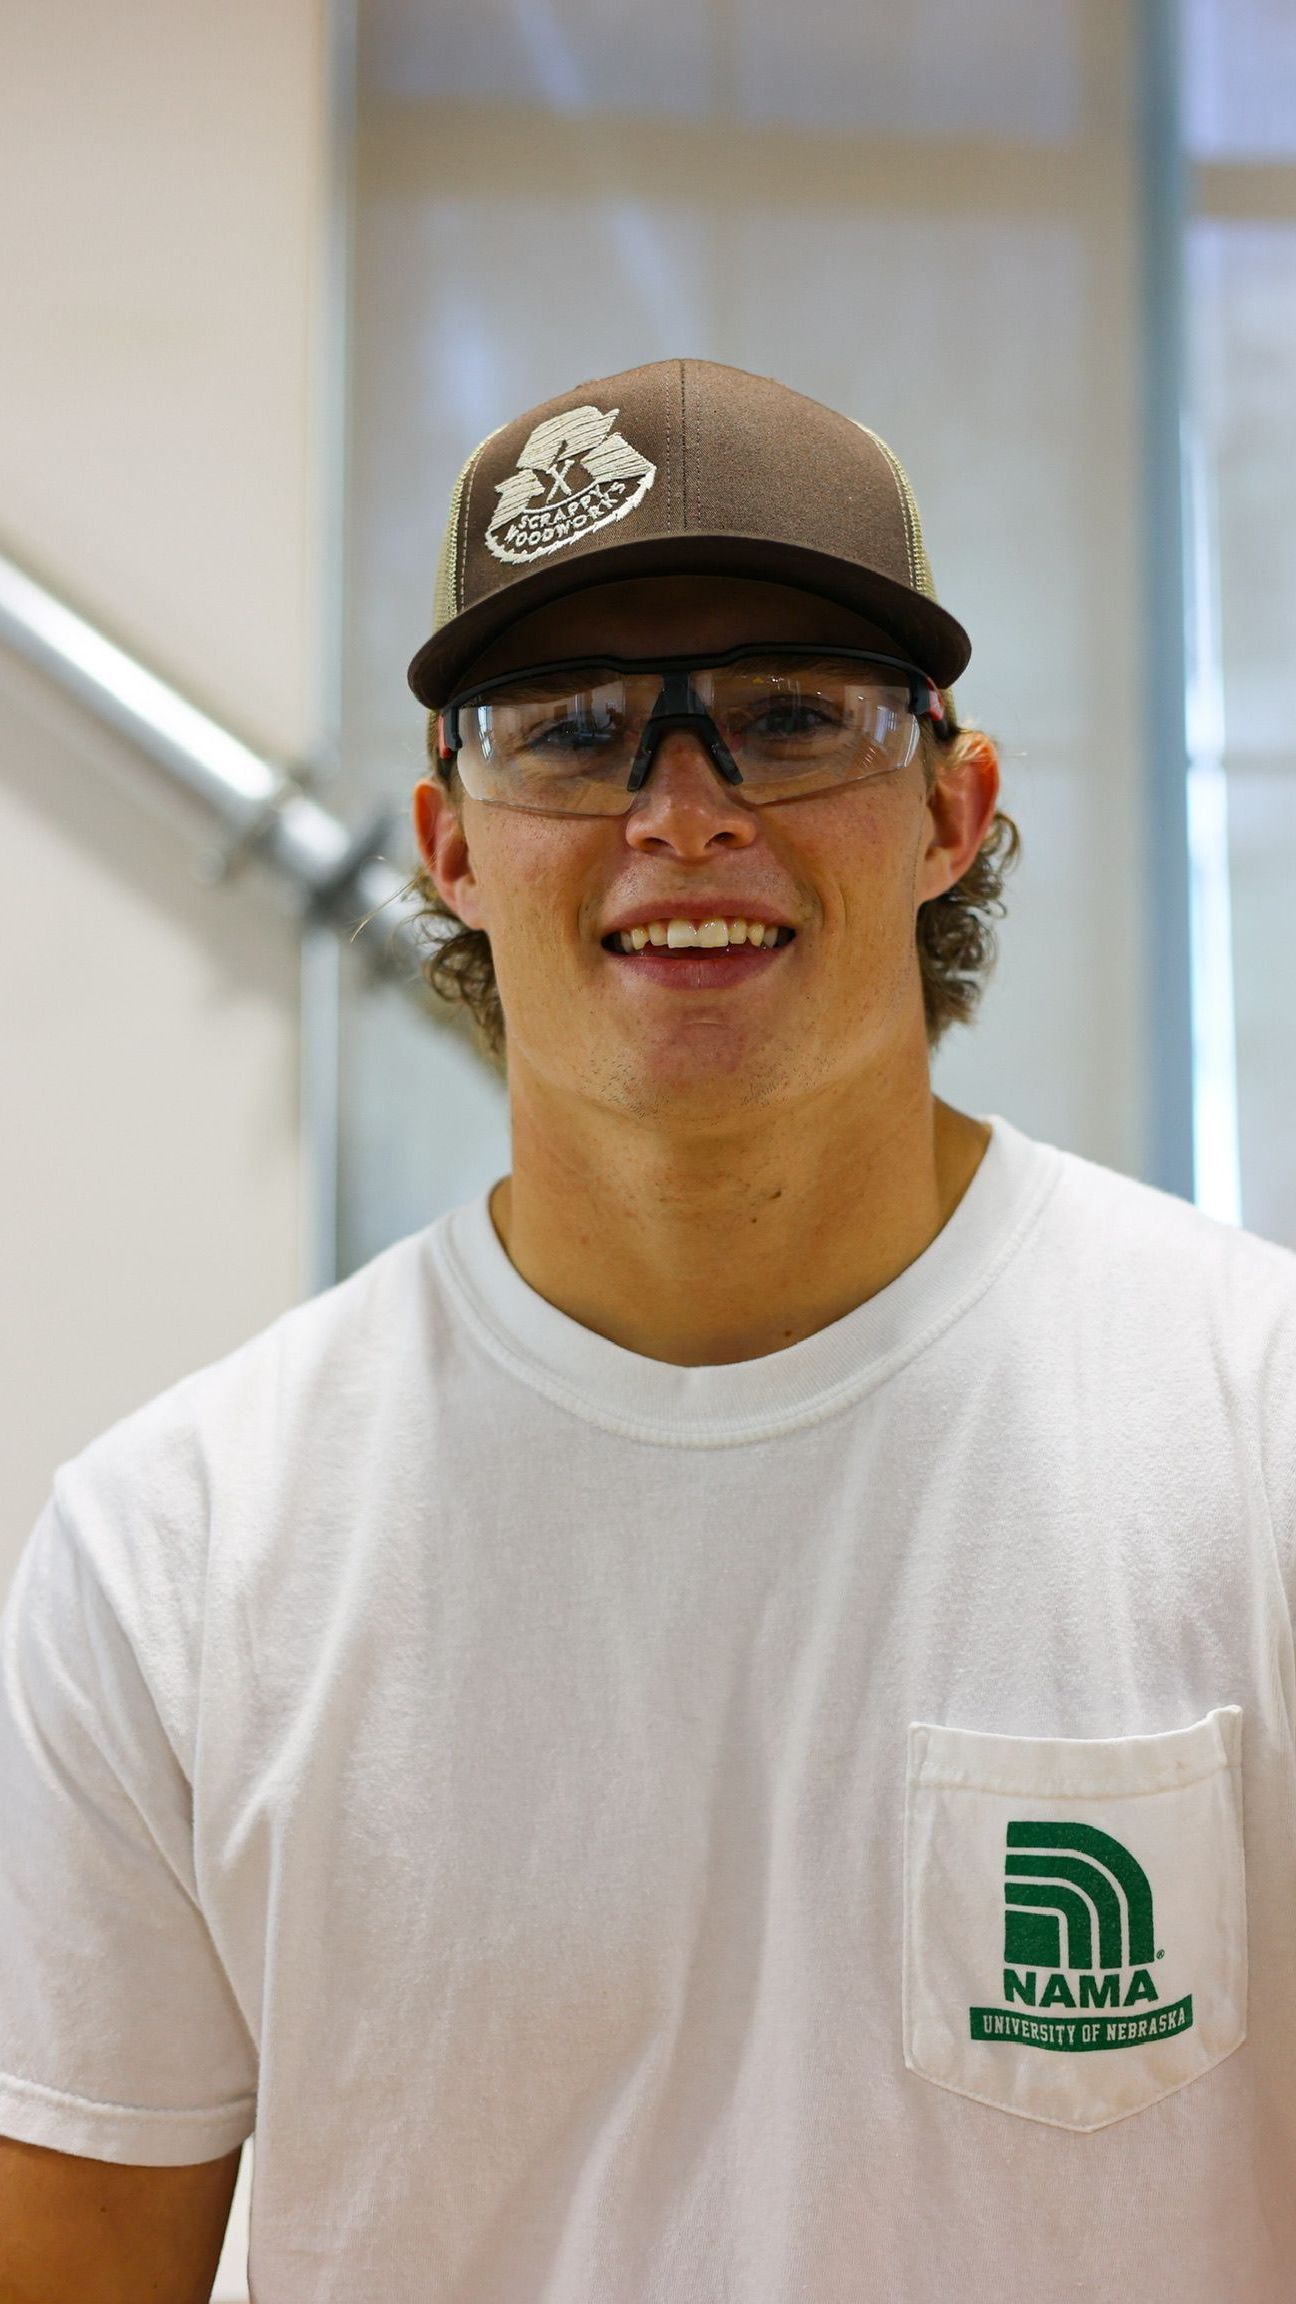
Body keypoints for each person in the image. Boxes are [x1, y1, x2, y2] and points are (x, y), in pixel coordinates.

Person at [1, 358, 1294, 2304]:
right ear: (446, 841)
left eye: (787, 719)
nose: (682, 813)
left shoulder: (1258, 1437)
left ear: (954, 808)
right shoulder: (173, 1557)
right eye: (577, 729)